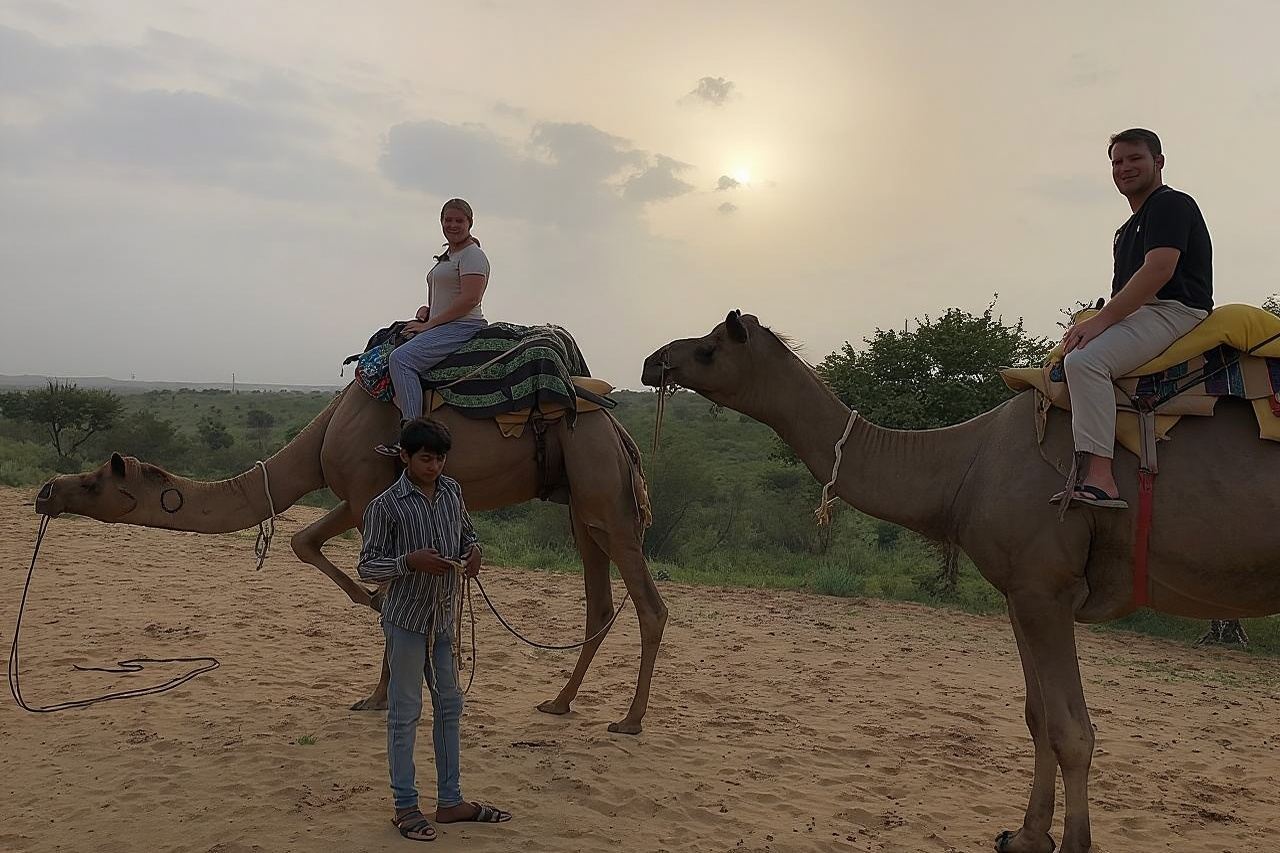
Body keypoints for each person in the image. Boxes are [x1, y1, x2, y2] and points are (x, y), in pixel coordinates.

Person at [358, 418, 512, 842]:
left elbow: (466, 534)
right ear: (405, 457)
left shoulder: (452, 492)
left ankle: (450, 801)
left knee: (450, 709)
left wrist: (473, 551)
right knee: (405, 715)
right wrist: (408, 562)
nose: (434, 467)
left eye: (440, 459)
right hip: (406, 621)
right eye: (426, 459)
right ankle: (405, 807)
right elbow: (367, 565)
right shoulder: (385, 507)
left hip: (445, 619)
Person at [1053, 128, 1212, 508]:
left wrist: (1100, 322)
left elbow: (1159, 270)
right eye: (1116, 162)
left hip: (1174, 309)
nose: (1124, 168)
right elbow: (1127, 290)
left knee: (1086, 361)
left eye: (1134, 158)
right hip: (1145, 313)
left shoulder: (1171, 204)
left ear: (1158, 162)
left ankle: (1100, 477)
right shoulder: (1125, 231)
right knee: (1073, 348)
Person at [388, 198, 491, 430]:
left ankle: (412, 431)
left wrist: (429, 324)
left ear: (470, 223)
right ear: (441, 222)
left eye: (459, 221)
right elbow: (448, 294)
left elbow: (470, 299)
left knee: (401, 359)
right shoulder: (450, 256)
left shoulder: (472, 255)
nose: (453, 225)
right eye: (448, 220)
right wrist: (427, 310)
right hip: (442, 323)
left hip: (463, 326)